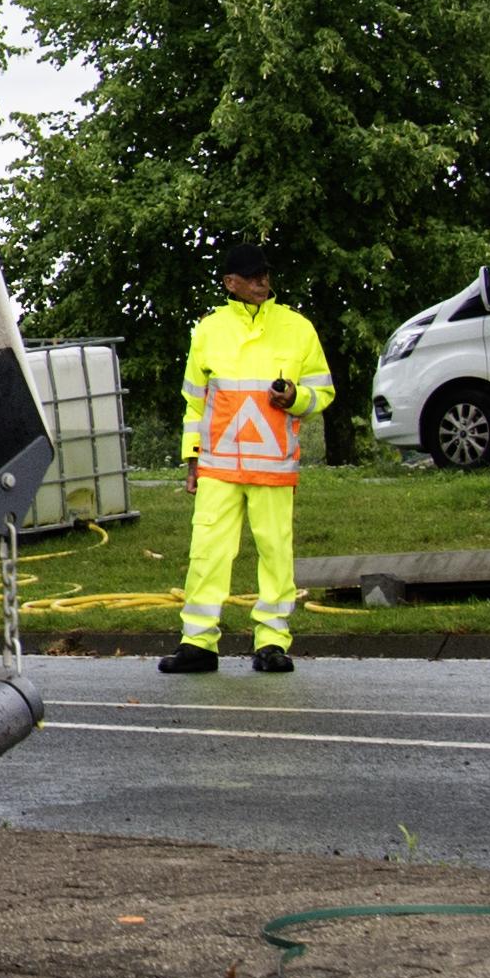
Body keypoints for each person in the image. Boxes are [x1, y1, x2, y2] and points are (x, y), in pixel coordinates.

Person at [167, 241, 331, 675]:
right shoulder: (207, 330)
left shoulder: (298, 328)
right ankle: (198, 643)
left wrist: (296, 397)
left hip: (272, 466)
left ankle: (272, 642)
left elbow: (324, 393)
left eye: (266, 275)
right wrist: (192, 459)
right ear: (230, 283)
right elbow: (194, 404)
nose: (263, 282)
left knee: (275, 553)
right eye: (253, 276)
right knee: (207, 552)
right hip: (219, 466)